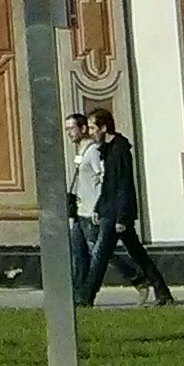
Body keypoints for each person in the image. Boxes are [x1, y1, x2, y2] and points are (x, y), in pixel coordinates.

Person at [75, 103, 176, 307]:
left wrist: (122, 217)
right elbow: (107, 185)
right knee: (137, 253)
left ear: (104, 128)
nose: (91, 133)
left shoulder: (120, 150)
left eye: (94, 128)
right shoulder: (106, 149)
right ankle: (162, 292)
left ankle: (85, 298)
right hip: (108, 210)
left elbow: (124, 185)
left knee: (100, 257)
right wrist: (98, 207)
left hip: (117, 213)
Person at [65, 110, 105, 298]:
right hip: (81, 211)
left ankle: (136, 277)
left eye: (72, 128)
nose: (69, 133)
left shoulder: (94, 151)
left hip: (91, 211)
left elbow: (102, 177)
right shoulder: (80, 151)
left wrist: (99, 205)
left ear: (83, 128)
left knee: (100, 253)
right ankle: (79, 294)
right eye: (67, 129)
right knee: (79, 253)